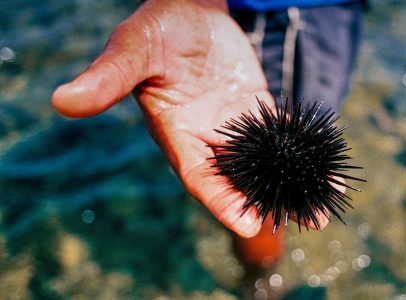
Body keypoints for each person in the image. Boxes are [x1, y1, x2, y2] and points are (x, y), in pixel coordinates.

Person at [52, 0, 363, 240]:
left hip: (324, 13)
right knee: (260, 193)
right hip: (278, 10)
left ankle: (259, 272)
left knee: (297, 139)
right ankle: (260, 277)